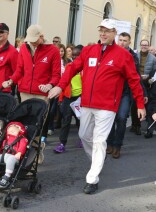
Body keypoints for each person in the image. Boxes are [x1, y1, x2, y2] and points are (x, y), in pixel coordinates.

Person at [48, 18, 146, 195]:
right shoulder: (89, 50)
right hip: (87, 103)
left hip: (108, 107)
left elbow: (134, 80)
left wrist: (140, 103)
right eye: (101, 30)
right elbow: (72, 68)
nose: (103, 33)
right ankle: (97, 161)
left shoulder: (123, 55)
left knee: (100, 141)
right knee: (84, 135)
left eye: (107, 30)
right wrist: (60, 86)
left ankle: (92, 179)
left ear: (114, 33)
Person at [2, 24, 61, 163]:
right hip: (24, 92)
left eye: (35, 39)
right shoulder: (24, 48)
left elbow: (56, 74)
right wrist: (11, 81)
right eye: (30, 39)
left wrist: (50, 85)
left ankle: (37, 149)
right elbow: (19, 70)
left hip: (42, 94)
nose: (32, 42)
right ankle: (22, 151)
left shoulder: (53, 51)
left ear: (42, 36)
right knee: (24, 124)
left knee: (37, 125)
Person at [106, 32, 147, 158]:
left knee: (122, 118)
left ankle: (117, 146)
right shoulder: (110, 52)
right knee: (110, 119)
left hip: (125, 93)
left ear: (129, 42)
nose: (122, 42)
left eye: (125, 40)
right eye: (120, 40)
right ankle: (110, 143)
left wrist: (143, 92)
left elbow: (136, 77)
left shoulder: (133, 57)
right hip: (111, 92)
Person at [54, 45, 83, 153]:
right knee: (65, 121)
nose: (75, 57)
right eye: (73, 55)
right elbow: (64, 82)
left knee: (80, 121)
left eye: (78, 55)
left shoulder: (85, 69)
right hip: (68, 97)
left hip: (80, 98)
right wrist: (61, 98)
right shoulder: (69, 66)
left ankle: (82, 139)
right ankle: (62, 143)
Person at [0, 121, 28, 188]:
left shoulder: (22, 139)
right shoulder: (5, 140)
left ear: (20, 131)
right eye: (9, 130)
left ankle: (7, 177)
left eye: (13, 131)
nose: (11, 132)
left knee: (11, 159)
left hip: (14, 156)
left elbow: (23, 146)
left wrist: (19, 153)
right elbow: (1, 148)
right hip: (3, 155)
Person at [130, 39, 156, 135]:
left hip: (146, 84)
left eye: (146, 45)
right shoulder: (135, 56)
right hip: (135, 82)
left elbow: (154, 72)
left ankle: (142, 123)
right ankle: (136, 125)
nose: (144, 46)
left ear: (148, 46)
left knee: (145, 104)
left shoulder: (153, 59)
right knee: (134, 104)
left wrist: (148, 78)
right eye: (142, 45)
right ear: (140, 46)